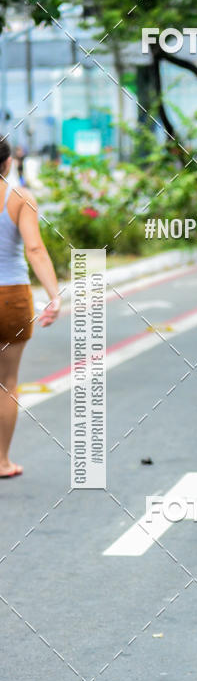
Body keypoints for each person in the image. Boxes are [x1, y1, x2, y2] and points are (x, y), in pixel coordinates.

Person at [0, 140, 61, 477]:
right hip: (12, 298)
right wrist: (55, 295)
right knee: (7, 382)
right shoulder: (19, 198)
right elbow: (34, 249)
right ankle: (2, 461)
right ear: (7, 163)